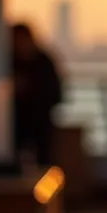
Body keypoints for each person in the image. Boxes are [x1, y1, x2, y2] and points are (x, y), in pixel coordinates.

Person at [10, 23, 63, 169]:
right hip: (16, 123)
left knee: (45, 162)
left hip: (40, 122)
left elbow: (56, 94)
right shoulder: (10, 61)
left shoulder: (44, 62)